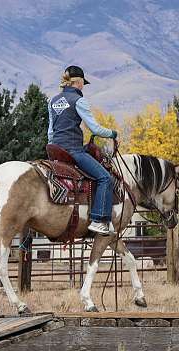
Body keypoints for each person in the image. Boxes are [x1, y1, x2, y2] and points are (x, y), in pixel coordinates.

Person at [47, 65, 118, 236]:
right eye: (83, 83)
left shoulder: (53, 101)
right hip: (73, 150)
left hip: (55, 149)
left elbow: (50, 131)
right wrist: (112, 133)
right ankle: (99, 219)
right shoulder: (79, 101)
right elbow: (94, 128)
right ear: (78, 82)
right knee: (105, 177)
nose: (83, 87)